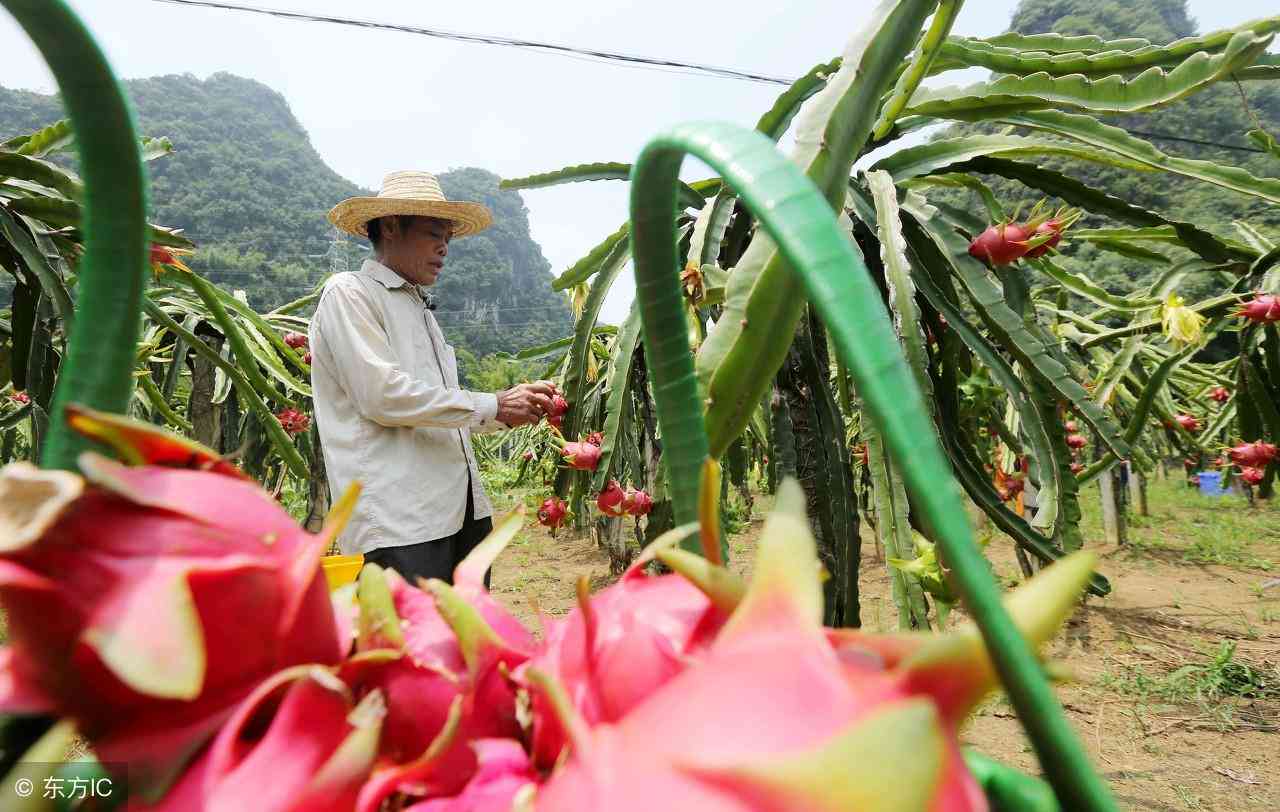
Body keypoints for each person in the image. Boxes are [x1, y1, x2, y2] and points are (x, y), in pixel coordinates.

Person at [311, 170, 556, 585]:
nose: (444, 247)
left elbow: (438, 407)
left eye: (448, 238)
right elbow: (383, 396)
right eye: (432, 233)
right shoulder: (350, 293)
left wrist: (508, 410)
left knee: (464, 643)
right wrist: (494, 403)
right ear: (389, 226)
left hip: (458, 512)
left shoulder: (419, 307)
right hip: (398, 523)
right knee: (409, 645)